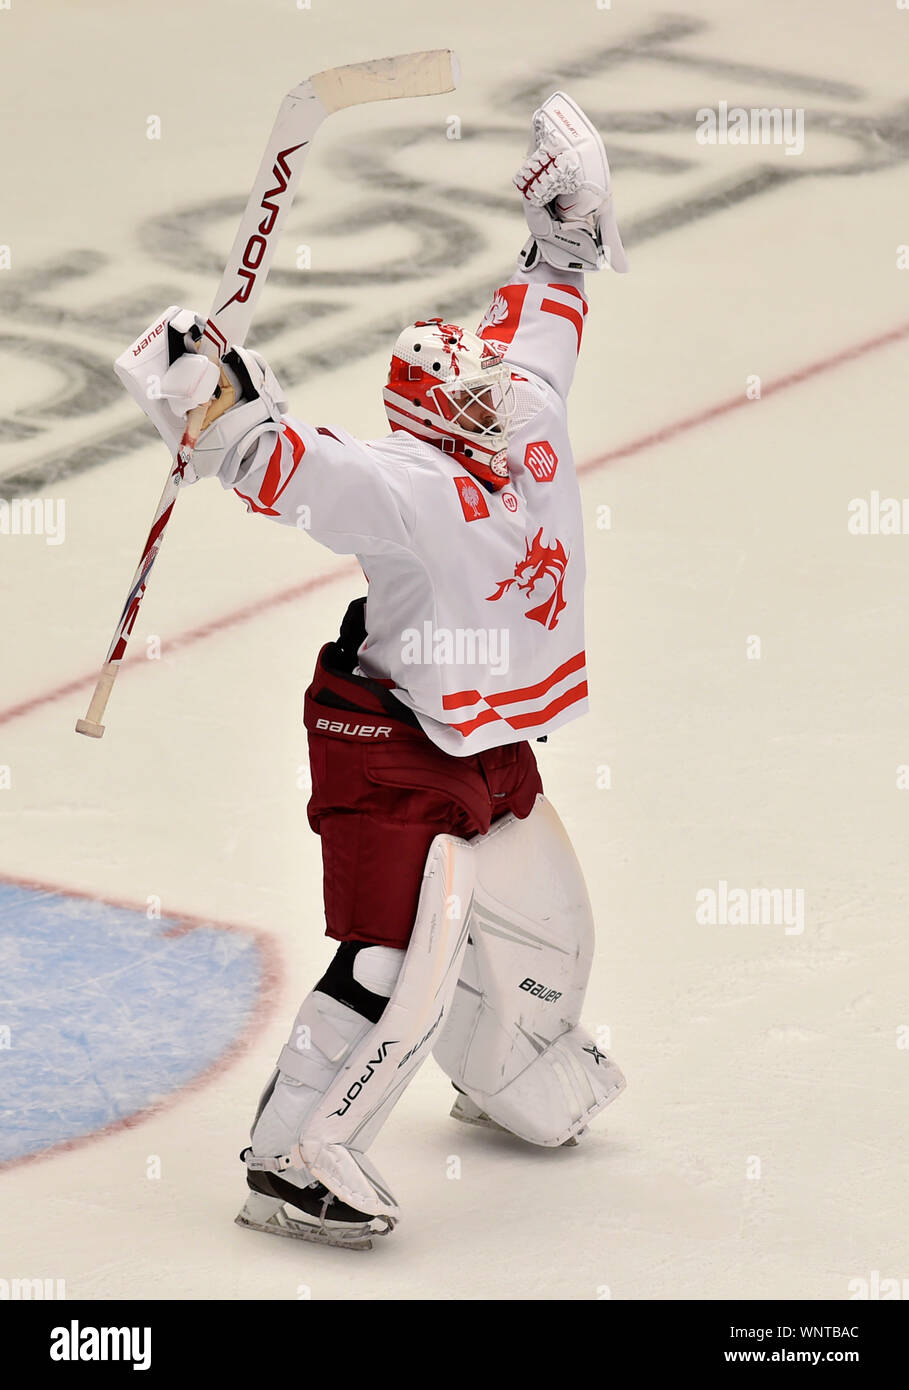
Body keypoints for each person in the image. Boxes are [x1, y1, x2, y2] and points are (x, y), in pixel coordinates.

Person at [115, 92, 629, 1250]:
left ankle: (510, 1070)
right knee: (397, 960)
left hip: (484, 736)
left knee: (552, 935)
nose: (509, 412)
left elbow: (551, 300)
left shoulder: (525, 419)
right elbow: (278, 458)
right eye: (480, 406)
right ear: (437, 429)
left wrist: (563, 228)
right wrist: (204, 395)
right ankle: (291, 1158)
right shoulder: (408, 486)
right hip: (389, 749)